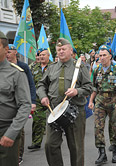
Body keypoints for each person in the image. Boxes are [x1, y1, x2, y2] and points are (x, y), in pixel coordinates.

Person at [37, 38, 93, 166]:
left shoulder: (79, 67)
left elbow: (89, 87)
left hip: (75, 112)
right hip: (54, 111)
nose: (61, 51)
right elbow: (41, 85)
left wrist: (77, 91)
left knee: (76, 148)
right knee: (50, 145)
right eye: (58, 49)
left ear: (70, 51)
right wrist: (42, 96)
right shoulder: (51, 68)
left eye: (63, 49)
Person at [88, 45, 116, 164]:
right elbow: (94, 87)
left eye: (104, 55)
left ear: (110, 56)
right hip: (100, 101)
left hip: (114, 101)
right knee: (98, 127)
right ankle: (102, 153)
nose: (102, 57)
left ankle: (115, 150)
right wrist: (90, 101)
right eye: (100, 55)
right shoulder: (97, 69)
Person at [0, 31, 31, 166]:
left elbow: (25, 105)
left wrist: (12, 133)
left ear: (6, 49)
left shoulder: (16, 73)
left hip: (6, 129)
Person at [6, 44, 36, 164]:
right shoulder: (4, 66)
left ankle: (19, 154)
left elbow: (31, 84)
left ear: (15, 53)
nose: (7, 54)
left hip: (20, 102)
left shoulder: (23, 66)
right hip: (7, 103)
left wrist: (32, 101)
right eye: (6, 51)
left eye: (9, 52)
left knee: (19, 129)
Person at [28, 48, 52, 151]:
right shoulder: (33, 67)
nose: (41, 56)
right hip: (37, 98)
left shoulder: (54, 66)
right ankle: (36, 142)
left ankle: (53, 141)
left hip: (51, 97)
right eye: (40, 55)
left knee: (54, 122)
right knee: (38, 120)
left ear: (48, 55)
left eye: (43, 55)